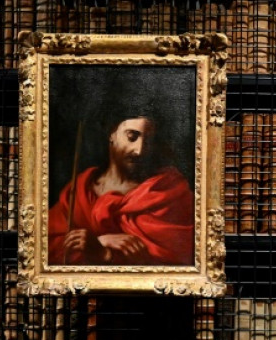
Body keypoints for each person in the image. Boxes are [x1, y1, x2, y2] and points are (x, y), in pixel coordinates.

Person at [46, 107, 194, 266]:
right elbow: (48, 248)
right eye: (132, 136)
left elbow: (179, 260)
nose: (139, 150)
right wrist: (101, 241)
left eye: (148, 141)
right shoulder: (80, 189)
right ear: (112, 133)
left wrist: (104, 253)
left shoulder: (166, 191)